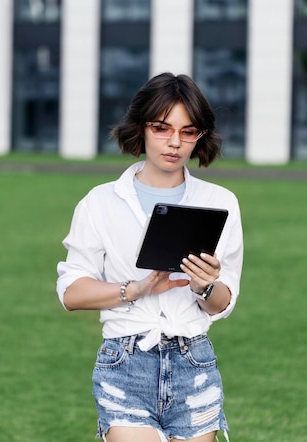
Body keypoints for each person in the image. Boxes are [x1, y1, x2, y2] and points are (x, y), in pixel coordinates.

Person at [56, 72, 243, 442]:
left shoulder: (220, 203)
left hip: (194, 363)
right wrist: (137, 289)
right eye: (162, 128)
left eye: (188, 132)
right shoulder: (100, 202)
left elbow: (224, 302)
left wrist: (204, 286)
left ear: (200, 136)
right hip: (126, 361)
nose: (174, 142)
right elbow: (71, 293)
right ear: (141, 127)